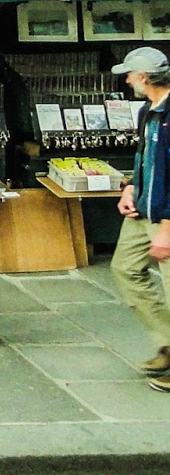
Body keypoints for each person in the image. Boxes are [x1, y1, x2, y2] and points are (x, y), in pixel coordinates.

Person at [109, 46, 170, 391]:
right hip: (144, 207)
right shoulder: (149, 110)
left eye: (130, 74)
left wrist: (167, 228)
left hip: (165, 217)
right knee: (125, 268)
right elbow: (144, 155)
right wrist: (131, 187)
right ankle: (168, 340)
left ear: (144, 78)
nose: (127, 79)